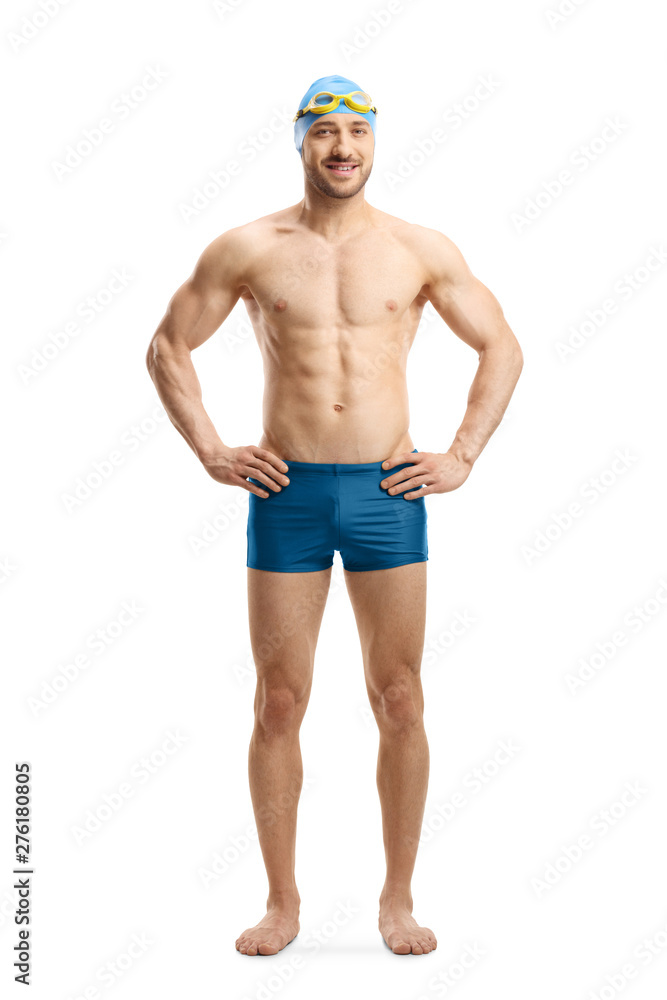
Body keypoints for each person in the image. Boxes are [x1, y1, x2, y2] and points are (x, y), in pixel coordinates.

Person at [146, 73, 523, 957]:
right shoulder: (250, 247)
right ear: (300, 143)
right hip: (288, 494)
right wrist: (210, 448)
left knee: (398, 698)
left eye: (356, 131)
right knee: (279, 703)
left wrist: (461, 454)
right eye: (325, 132)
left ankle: (397, 899)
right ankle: (282, 902)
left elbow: (501, 344)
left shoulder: (418, 249)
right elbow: (168, 345)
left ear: (374, 143)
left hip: (389, 494)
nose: (342, 146)